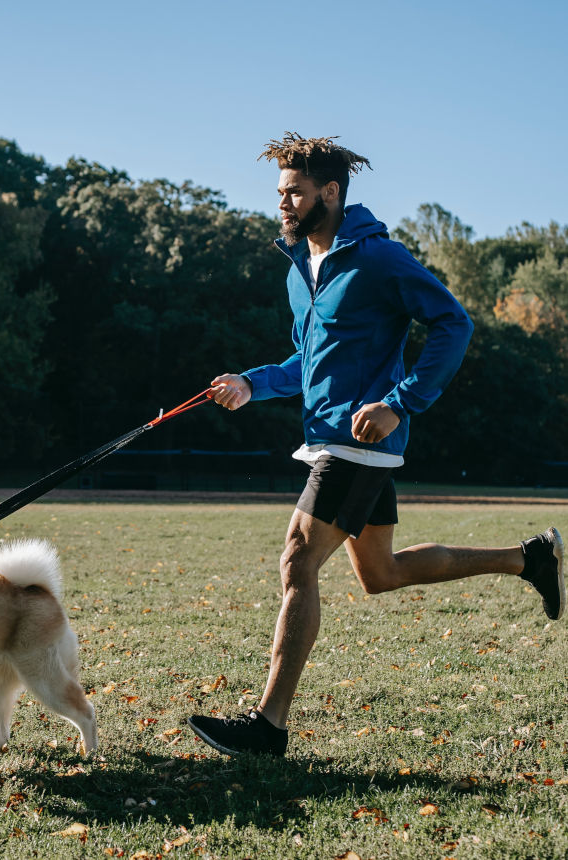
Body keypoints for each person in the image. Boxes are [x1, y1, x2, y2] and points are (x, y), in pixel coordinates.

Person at [187, 133, 565, 758]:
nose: (283, 204)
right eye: (280, 193)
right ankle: (529, 559)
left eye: (295, 193)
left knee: (297, 561)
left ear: (329, 193)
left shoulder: (379, 259)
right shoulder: (300, 268)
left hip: (356, 442)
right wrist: (251, 385)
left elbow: (453, 321)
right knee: (380, 573)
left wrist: (401, 402)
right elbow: (308, 363)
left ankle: (268, 726)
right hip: (332, 438)